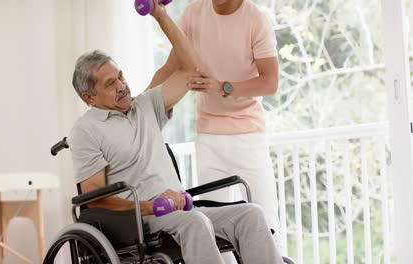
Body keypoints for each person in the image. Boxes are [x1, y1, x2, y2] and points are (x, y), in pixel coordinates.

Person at [68, 1, 282, 263]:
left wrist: (160, 15)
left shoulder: (145, 105)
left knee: (251, 214)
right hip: (142, 220)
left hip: (182, 209)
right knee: (195, 221)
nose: (123, 86)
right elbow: (96, 201)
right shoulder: (85, 131)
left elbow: (192, 68)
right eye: (111, 84)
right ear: (89, 97)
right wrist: (150, 206)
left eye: (121, 76)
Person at [148, 0, 284, 254]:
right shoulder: (193, 14)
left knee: (266, 224)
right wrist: (136, 107)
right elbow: (171, 67)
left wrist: (225, 87)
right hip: (208, 136)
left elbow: (270, 81)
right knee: (216, 228)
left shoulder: (256, 19)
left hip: (248, 136)